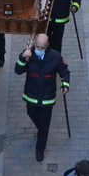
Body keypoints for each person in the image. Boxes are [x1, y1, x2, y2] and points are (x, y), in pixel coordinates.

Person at [14, 33, 70, 162]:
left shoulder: (55, 57)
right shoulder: (28, 54)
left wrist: (65, 84)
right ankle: (42, 131)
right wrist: (23, 58)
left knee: (44, 124)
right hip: (31, 95)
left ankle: (40, 149)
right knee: (31, 114)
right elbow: (18, 70)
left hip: (47, 97)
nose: (39, 50)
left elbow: (64, 71)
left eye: (42, 48)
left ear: (47, 46)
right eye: (37, 47)